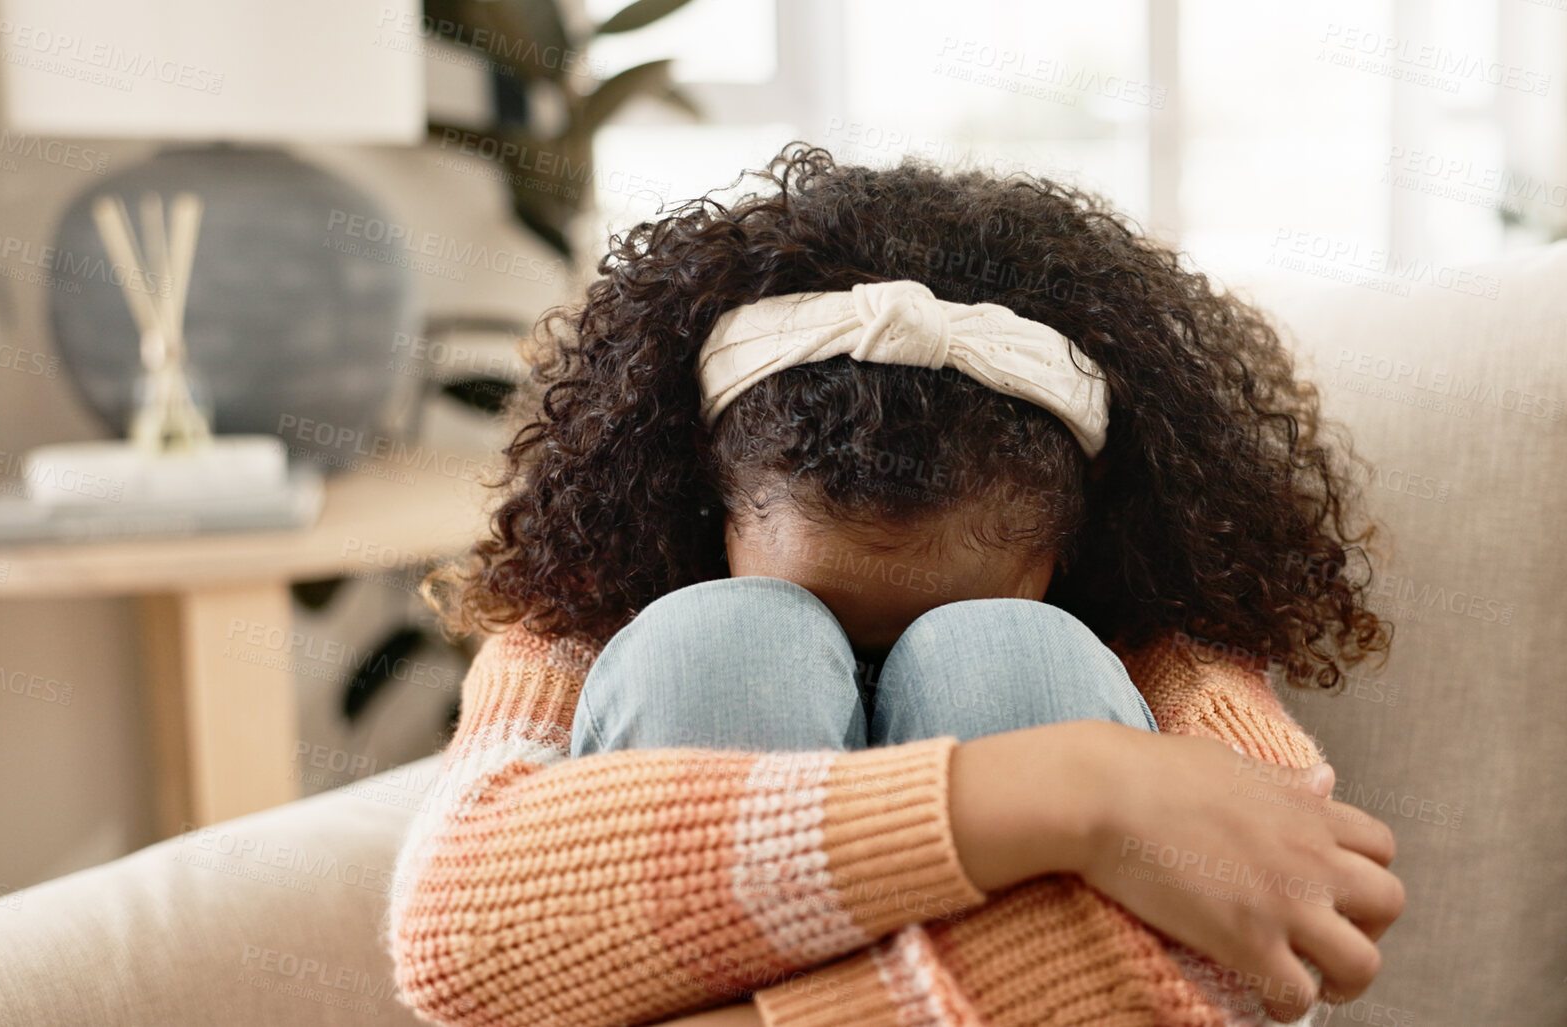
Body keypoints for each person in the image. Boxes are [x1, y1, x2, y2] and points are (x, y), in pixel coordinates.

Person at [389, 143, 1405, 1027]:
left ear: (1072, 536)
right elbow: (453, 928)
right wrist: (1077, 789)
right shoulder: (583, 623)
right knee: (727, 646)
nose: (869, 673)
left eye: (943, 610)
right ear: (710, 501)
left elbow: (1256, 956)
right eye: (825, 612)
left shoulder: (1169, 647)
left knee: (1015, 661)